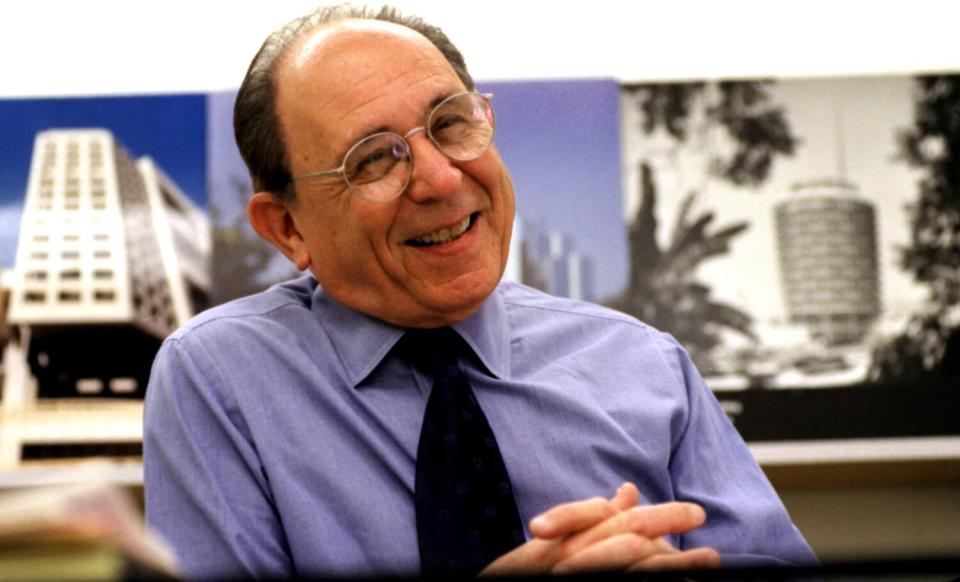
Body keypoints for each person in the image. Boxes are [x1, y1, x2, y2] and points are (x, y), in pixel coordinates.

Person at [144, 5, 818, 579]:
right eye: (374, 158)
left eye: (450, 124)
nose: (439, 178)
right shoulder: (220, 377)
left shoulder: (647, 364)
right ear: (288, 227)